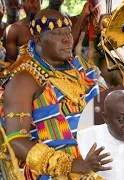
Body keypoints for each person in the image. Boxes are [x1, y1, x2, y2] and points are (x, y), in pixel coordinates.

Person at [0, 9, 107, 179]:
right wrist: (74, 165)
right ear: (38, 40)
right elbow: (16, 141)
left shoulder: (78, 67)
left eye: (67, 32)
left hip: (100, 156)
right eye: (57, 33)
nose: (67, 38)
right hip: (61, 170)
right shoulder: (25, 79)